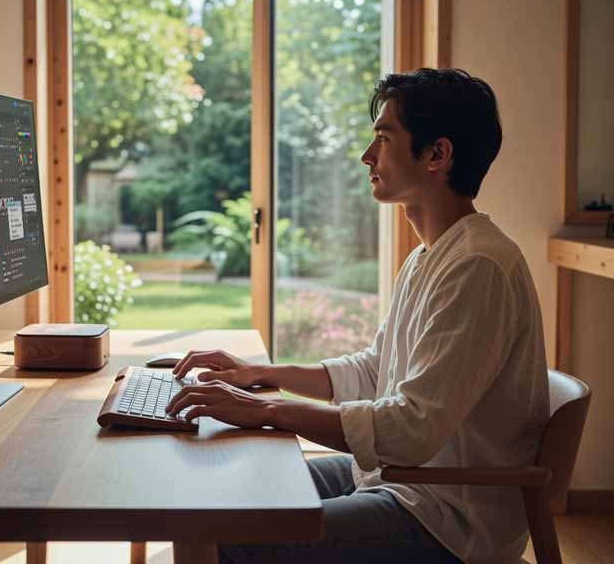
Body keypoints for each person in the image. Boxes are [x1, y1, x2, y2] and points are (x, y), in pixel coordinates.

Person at [165, 68, 550, 564]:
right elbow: (374, 371)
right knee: (221, 488)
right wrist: (261, 375)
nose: (368, 156)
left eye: (384, 139)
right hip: (399, 481)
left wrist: (265, 410)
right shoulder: (430, 256)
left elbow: (412, 428)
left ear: (437, 154)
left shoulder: (478, 265)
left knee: (224, 534)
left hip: (446, 518)